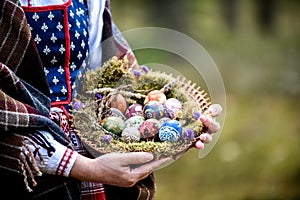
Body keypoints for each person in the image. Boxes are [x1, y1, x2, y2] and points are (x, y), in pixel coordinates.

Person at [0, 0, 221, 199]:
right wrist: (84, 167)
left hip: (91, 144)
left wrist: (175, 129)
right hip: (28, 160)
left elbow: (107, 73)